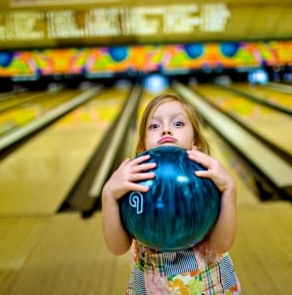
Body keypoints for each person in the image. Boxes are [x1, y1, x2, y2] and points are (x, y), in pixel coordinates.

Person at [101, 93, 241, 294]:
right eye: (154, 126)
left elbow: (221, 245)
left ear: (196, 145)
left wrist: (229, 190)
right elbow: (117, 247)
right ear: (142, 148)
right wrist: (109, 195)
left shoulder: (207, 180)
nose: (165, 129)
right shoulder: (133, 180)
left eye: (177, 123)